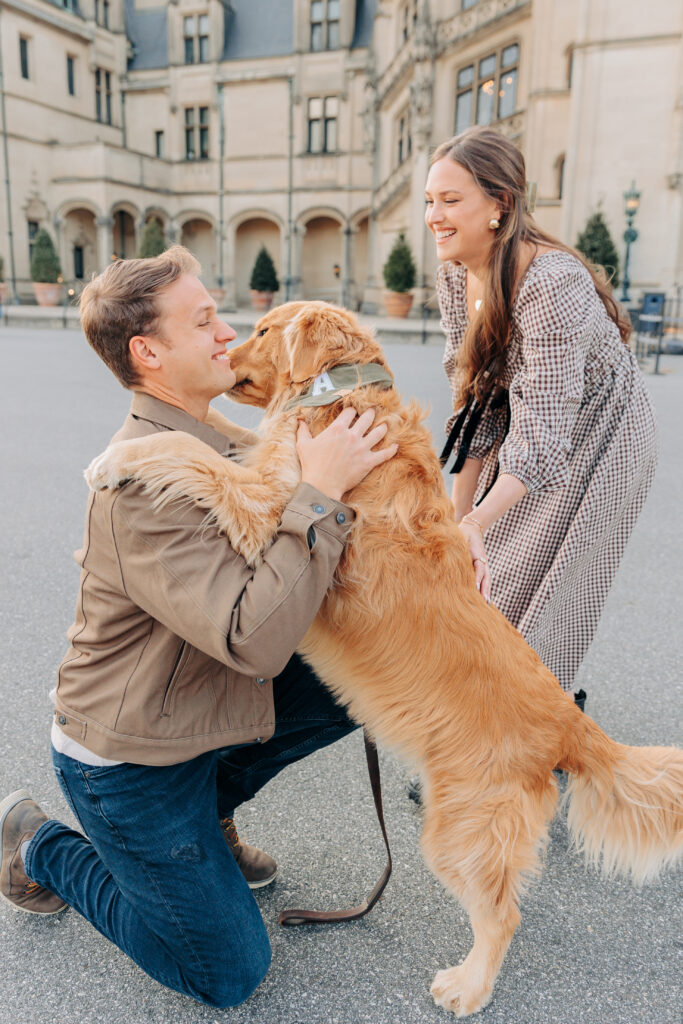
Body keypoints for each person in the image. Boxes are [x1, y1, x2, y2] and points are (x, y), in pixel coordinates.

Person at [0, 246, 396, 1006]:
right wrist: (320, 491)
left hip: (196, 717)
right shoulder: (143, 479)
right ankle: (39, 846)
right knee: (229, 972)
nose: (227, 334)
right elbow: (256, 636)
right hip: (129, 766)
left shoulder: (216, 437)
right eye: (206, 321)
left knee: (364, 670)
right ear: (148, 352)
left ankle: (208, 814)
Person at [425, 126, 657, 703]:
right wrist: (460, 514)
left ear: (499, 205)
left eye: (451, 200)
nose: (435, 215)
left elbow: (545, 429)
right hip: (539, 425)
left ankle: (540, 733)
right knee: (484, 571)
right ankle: (496, 725)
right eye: (430, 200)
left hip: (605, 432)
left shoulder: (552, 282)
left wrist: (477, 522)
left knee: (548, 589)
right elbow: (476, 396)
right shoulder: (456, 272)